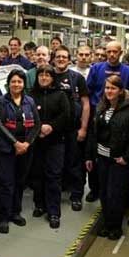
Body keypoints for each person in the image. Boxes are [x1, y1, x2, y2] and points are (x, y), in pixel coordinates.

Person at [85, 75, 129, 240]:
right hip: (102, 158)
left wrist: (127, 156)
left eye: (113, 88)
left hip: (119, 160)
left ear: (120, 91)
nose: (109, 91)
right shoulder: (101, 107)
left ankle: (115, 226)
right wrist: (89, 156)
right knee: (104, 193)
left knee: (115, 194)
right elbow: (93, 133)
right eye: (107, 88)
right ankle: (107, 223)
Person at [0, 69, 41, 234]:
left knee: (20, 182)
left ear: (23, 84)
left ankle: (16, 213)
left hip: (26, 149)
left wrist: (27, 143)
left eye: (19, 82)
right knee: (7, 184)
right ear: (9, 84)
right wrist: (15, 144)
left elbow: (37, 124)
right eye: (13, 81)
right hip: (7, 149)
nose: (16, 84)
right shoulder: (1, 101)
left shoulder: (29, 101)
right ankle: (3, 218)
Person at [29, 65, 70, 228]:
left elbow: (66, 116)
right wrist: (39, 129)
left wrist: (51, 127)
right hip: (36, 141)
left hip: (55, 142)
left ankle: (53, 212)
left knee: (53, 176)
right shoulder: (31, 95)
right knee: (37, 175)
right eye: (41, 75)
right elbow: (28, 116)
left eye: (47, 75)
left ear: (52, 78)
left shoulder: (60, 95)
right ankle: (40, 205)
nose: (44, 78)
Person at [54, 45, 90, 210]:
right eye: (58, 56)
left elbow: (85, 103)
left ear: (69, 60)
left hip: (73, 129)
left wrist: (83, 128)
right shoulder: (48, 76)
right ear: (54, 59)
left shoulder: (77, 78)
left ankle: (76, 195)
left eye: (64, 57)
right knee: (55, 164)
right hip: (54, 131)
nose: (61, 59)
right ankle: (56, 193)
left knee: (75, 163)